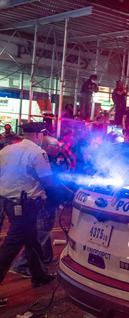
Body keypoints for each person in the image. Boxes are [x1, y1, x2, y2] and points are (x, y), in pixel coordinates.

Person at [0, 122, 58, 307]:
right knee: (11, 246)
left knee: (31, 240)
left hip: (8, 202)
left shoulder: (7, 150)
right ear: (40, 135)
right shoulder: (37, 153)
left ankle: (39, 276)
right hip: (26, 205)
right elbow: (47, 180)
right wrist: (63, 195)